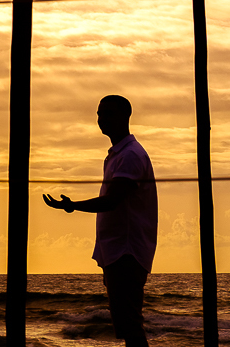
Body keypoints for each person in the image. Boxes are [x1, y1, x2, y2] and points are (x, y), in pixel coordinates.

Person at [43, 95, 158, 347]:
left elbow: (111, 201)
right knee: (128, 326)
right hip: (117, 251)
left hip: (126, 251)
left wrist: (72, 206)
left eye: (108, 113)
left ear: (125, 117)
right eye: (99, 113)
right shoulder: (117, 155)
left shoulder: (130, 155)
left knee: (131, 327)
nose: (101, 119)